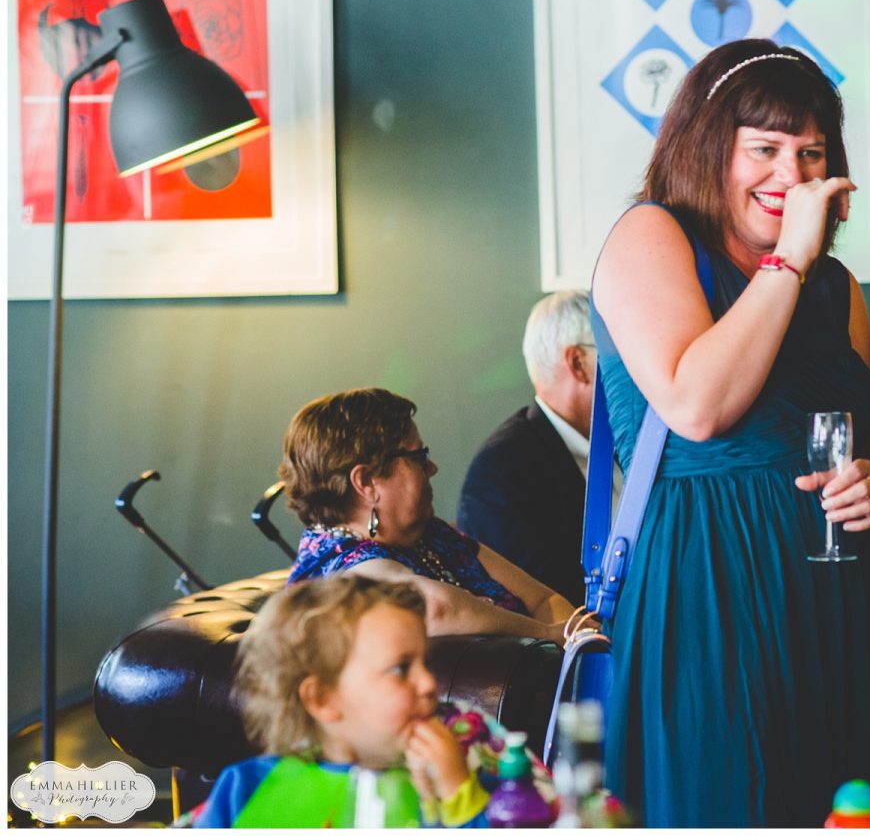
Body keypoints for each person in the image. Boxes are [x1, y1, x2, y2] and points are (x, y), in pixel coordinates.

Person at [589, 37, 870, 826]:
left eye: (811, 154)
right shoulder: (650, 235)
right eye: (765, 149)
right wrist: (788, 262)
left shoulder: (835, 288)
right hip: (706, 589)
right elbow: (698, 406)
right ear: (707, 148)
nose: (791, 175)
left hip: (834, 598)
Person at [281, 387, 581, 644]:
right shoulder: (341, 568)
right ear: (367, 482)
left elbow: (544, 599)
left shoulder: (432, 536)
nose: (432, 467)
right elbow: (432, 607)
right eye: (418, 457)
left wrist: (574, 646)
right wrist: (547, 635)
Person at [192, 575, 487, 826]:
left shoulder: (456, 771)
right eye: (401, 668)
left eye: (427, 663)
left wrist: (461, 797)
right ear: (323, 700)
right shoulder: (246, 790)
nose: (428, 683)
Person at [457, 290, 618, 606]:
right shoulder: (502, 471)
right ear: (578, 363)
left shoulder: (629, 440)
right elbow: (534, 600)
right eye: (618, 355)